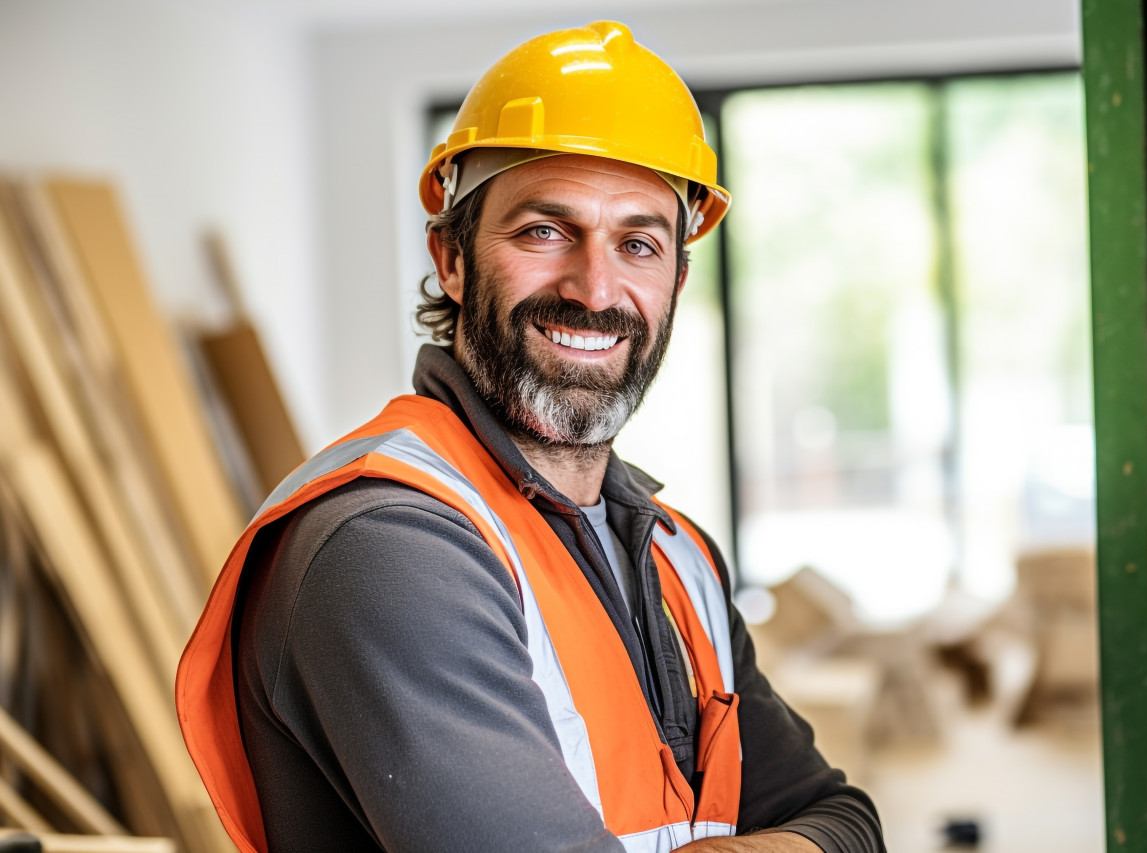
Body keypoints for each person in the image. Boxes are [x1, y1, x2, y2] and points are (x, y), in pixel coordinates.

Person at [176, 21, 886, 853]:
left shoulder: (677, 558)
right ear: (451, 259)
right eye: (544, 231)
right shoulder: (390, 544)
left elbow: (847, 821)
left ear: (676, 280)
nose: (595, 289)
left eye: (638, 244)